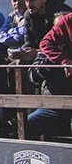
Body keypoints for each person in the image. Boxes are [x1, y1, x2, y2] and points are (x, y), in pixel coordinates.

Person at [28, 12, 72, 140]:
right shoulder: (49, 51)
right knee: (29, 124)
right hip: (54, 105)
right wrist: (58, 60)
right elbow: (33, 76)